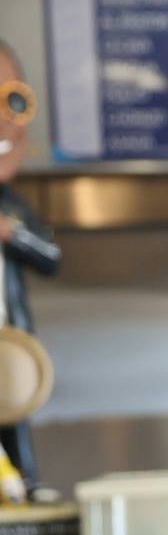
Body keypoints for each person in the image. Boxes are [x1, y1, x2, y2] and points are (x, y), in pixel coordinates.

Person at [0, 38, 61, 495]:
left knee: (14, 409)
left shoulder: (13, 209)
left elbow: (50, 256)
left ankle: (26, 481)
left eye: (11, 100)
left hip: (14, 342)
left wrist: (11, 234)